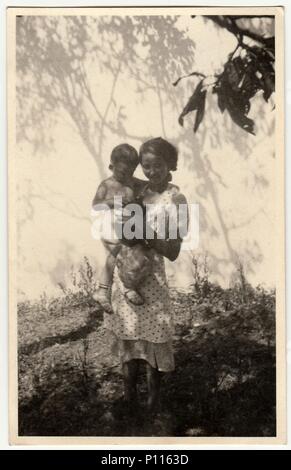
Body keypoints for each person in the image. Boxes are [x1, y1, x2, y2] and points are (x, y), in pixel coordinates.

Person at [104, 137, 188, 416]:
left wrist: (147, 235)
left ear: (170, 165)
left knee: (154, 338)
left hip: (153, 282)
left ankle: (153, 404)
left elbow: (174, 250)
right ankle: (129, 400)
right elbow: (115, 224)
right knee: (128, 334)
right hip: (126, 276)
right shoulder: (136, 191)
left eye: (158, 165)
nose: (151, 171)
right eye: (146, 166)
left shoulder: (177, 199)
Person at [92, 143, 151, 313]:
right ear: (111, 167)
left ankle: (129, 285)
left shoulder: (133, 182)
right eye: (122, 172)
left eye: (131, 172)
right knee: (116, 252)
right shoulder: (107, 185)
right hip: (109, 225)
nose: (127, 176)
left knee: (134, 254)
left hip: (128, 226)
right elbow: (96, 205)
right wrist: (111, 202)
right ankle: (103, 290)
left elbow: (147, 185)